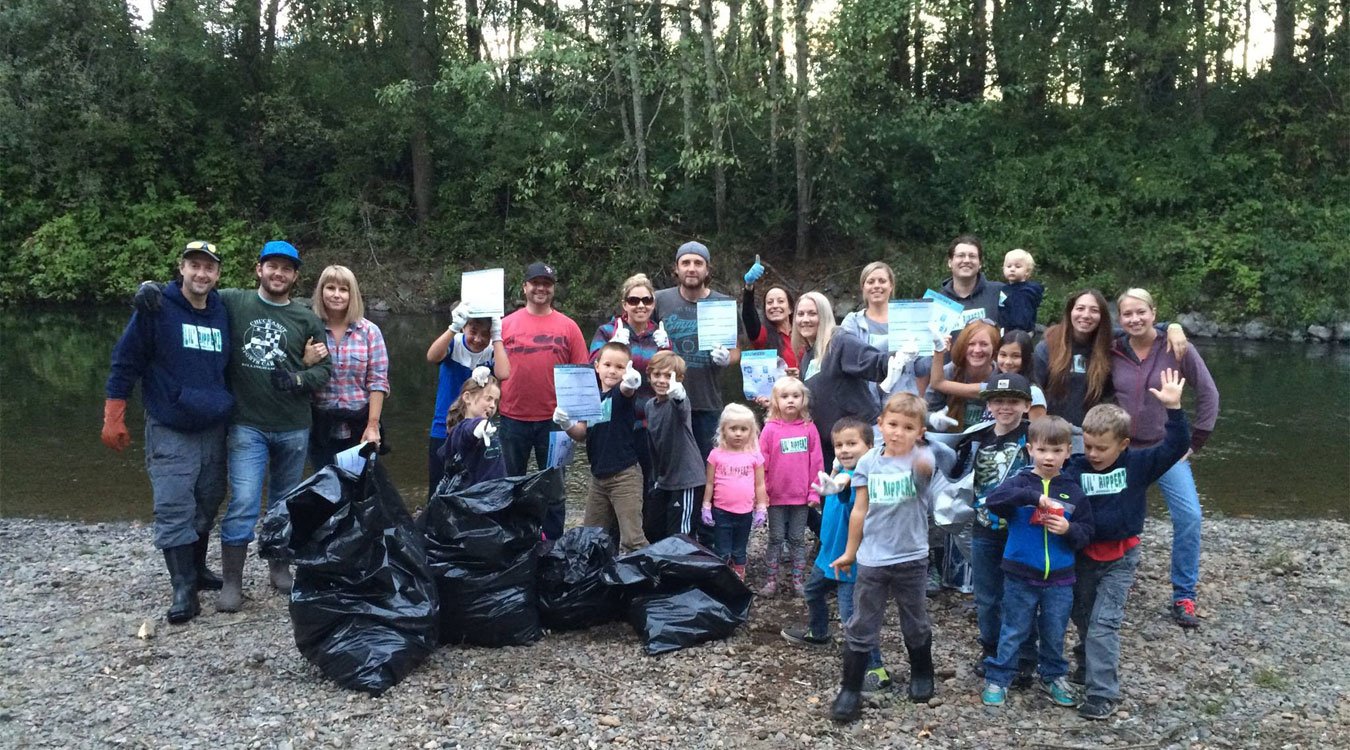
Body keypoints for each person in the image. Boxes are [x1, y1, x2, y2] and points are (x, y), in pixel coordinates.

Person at [132, 241, 332, 610]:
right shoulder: (233, 302)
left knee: (284, 502)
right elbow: (191, 293)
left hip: (293, 426)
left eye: (286, 269)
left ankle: (279, 567)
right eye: (272, 266)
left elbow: (324, 368)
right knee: (241, 501)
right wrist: (153, 287)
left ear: (295, 277)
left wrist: (300, 379)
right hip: (246, 425)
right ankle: (232, 582)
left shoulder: (307, 318)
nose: (278, 274)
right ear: (259, 269)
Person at [102, 241, 234, 624]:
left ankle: (198, 569)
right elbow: (125, 361)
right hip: (170, 426)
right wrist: (114, 412)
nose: (201, 274)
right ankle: (182, 587)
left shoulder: (221, 309)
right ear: (182, 268)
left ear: (217, 275)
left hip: (213, 424)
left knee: (208, 499)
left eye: (209, 268)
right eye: (194, 266)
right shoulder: (156, 307)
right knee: (174, 504)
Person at [1064, 371, 1190, 720]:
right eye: (1087, 446)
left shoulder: (1139, 464)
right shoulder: (1075, 469)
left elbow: (1175, 446)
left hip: (1121, 557)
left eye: (1101, 448)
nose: (1093, 454)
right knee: (1084, 616)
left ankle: (1102, 693)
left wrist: (1174, 410)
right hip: (1084, 556)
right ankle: (1087, 662)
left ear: (1123, 443)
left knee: (1105, 623)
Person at [1111, 289, 1219, 628]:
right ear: (1120, 317)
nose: (1134, 319)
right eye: (1127, 314)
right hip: (1124, 449)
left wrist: (1196, 441)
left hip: (1166, 448)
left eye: (1140, 312)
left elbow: (1208, 393)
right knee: (1117, 517)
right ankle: (1113, 581)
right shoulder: (1113, 348)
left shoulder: (1176, 347)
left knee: (1189, 517)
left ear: (1153, 312)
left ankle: (1184, 594)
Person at [828, 393, 940, 722]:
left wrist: (921, 465)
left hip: (911, 557)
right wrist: (850, 552)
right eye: (892, 424)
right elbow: (859, 510)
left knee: (915, 618)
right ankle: (850, 688)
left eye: (908, 427)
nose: (898, 432)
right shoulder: (867, 463)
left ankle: (922, 671)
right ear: (880, 425)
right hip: (874, 558)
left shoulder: (922, 459)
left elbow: (924, 475)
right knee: (862, 621)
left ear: (919, 432)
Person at [980, 416, 1094, 709]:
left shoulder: (1073, 490)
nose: (1049, 457)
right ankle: (999, 676)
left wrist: (1069, 530)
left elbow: (1087, 532)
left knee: (1054, 630)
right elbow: (992, 500)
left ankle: (1053, 675)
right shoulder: (1019, 483)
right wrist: (1033, 497)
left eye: (1056, 451)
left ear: (1068, 452)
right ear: (1030, 449)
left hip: (1060, 578)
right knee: (1014, 627)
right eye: (1042, 450)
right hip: (1019, 574)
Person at [780, 417, 890, 692]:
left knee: (853, 618)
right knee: (812, 592)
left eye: (852, 443)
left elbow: (846, 484)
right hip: (826, 557)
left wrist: (840, 482)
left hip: (850, 564)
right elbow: (839, 477)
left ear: (870, 446)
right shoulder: (837, 471)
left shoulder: (862, 480)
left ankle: (875, 668)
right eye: (839, 444)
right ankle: (818, 632)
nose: (844, 449)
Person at [950, 372, 1035, 683]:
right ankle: (991, 650)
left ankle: (1025, 654)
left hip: (1025, 532)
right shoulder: (976, 437)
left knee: (1023, 594)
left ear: (1027, 405)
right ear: (989, 405)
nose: (1005, 407)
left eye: (1013, 402)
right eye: (998, 401)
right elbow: (952, 470)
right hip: (984, 529)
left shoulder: (1036, 438)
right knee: (987, 595)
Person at [498, 261, 590, 539]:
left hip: (556, 422)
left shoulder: (569, 327)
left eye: (546, 284)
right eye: (535, 283)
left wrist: (580, 421)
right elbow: (490, 370)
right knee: (509, 484)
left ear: (553, 289)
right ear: (525, 287)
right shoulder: (504, 325)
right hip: (512, 418)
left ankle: (554, 543)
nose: (541, 288)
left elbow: (582, 377)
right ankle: (512, 539)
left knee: (555, 489)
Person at [589, 273, 670, 539]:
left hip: (649, 423)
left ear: (653, 303)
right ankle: (608, 542)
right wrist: (617, 346)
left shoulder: (660, 334)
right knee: (610, 482)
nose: (640, 305)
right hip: (614, 423)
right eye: (633, 300)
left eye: (646, 300)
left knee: (645, 486)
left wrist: (667, 349)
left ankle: (638, 540)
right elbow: (595, 366)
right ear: (624, 304)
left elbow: (673, 375)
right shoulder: (607, 331)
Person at [799, 291, 914, 469]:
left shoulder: (840, 341)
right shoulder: (808, 356)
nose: (805, 319)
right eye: (800, 314)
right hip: (833, 445)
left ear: (824, 315)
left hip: (859, 439)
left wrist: (899, 356)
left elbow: (873, 362)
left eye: (812, 313)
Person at [553, 342, 649, 553]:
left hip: (625, 477)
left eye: (620, 367)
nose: (613, 371)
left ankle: (647, 582)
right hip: (598, 479)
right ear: (596, 366)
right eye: (608, 364)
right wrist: (566, 424)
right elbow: (581, 433)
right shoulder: (590, 397)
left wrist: (631, 382)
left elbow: (627, 389)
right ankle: (596, 579)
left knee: (632, 540)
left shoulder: (620, 395)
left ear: (627, 369)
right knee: (590, 538)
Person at [653, 241, 737, 458]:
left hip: (707, 403)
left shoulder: (723, 303)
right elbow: (641, 337)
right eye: (686, 262)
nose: (692, 268)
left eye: (698, 263)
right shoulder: (659, 300)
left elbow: (737, 351)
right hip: (666, 399)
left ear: (707, 269)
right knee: (665, 465)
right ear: (676, 268)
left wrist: (727, 358)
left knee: (707, 467)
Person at [307, 265, 389, 469]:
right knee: (326, 492)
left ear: (352, 295)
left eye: (343, 290)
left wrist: (373, 425)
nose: (337, 295)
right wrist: (305, 361)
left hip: (360, 426)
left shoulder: (369, 331)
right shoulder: (308, 327)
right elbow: (296, 375)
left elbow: (378, 381)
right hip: (319, 427)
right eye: (331, 288)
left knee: (361, 491)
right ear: (321, 291)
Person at [426, 302, 510, 497]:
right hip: (444, 426)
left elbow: (504, 373)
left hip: (477, 430)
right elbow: (432, 356)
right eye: (473, 331)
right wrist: (453, 328)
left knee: (472, 485)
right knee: (438, 486)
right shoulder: (454, 343)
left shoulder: (490, 350)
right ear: (464, 327)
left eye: (485, 333)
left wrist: (497, 337)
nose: (478, 339)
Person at [757, 376, 823, 597]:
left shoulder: (809, 428)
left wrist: (814, 491)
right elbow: (761, 463)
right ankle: (771, 581)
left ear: (803, 399)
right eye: (785, 397)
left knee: (797, 539)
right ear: (775, 400)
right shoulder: (769, 429)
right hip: (775, 497)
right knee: (775, 537)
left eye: (796, 396)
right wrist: (762, 492)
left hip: (801, 497)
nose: (791, 401)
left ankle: (798, 580)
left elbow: (817, 462)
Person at [839, 261, 928, 402]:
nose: (876, 286)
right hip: (866, 402)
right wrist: (893, 343)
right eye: (871, 281)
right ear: (863, 287)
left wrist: (937, 350)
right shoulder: (852, 322)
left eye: (882, 281)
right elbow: (850, 359)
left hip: (902, 401)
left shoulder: (909, 320)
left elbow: (921, 369)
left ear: (891, 286)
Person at [644, 351, 707, 541]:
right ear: (649, 377)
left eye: (668, 376)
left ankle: (684, 567)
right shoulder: (649, 406)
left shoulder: (678, 403)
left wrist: (679, 395)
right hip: (664, 479)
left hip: (687, 479)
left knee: (680, 534)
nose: (662, 381)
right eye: (657, 375)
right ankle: (665, 565)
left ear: (679, 379)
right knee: (652, 528)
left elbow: (682, 405)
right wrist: (655, 478)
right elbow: (654, 444)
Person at [701, 404, 769, 580]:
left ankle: (739, 578)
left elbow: (760, 484)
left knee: (740, 548)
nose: (738, 433)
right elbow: (709, 483)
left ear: (751, 431)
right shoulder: (716, 455)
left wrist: (761, 507)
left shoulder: (754, 456)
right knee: (722, 549)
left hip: (745, 512)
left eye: (743, 429)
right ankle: (722, 578)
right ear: (724, 430)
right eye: (733, 429)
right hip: (721, 511)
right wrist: (706, 506)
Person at [927, 320, 1000, 431]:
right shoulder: (949, 372)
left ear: (995, 348)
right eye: (971, 344)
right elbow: (921, 413)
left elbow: (938, 383)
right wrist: (932, 418)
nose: (977, 350)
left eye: (984, 344)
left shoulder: (1001, 376)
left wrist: (939, 351)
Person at [442, 368, 506, 485]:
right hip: (475, 498)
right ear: (467, 398)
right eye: (488, 399)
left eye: (496, 401)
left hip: (496, 494)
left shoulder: (489, 427)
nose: (492, 405)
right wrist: (479, 426)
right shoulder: (461, 429)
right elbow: (468, 429)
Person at [740, 256, 798, 370]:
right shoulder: (763, 335)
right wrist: (749, 287)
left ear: (790, 308)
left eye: (780, 301)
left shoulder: (801, 334)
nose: (775, 306)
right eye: (770, 302)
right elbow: (749, 316)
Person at [938, 235, 1005, 323]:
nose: (966, 260)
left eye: (972, 256)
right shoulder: (937, 302)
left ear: (980, 263)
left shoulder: (999, 292)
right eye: (961, 255)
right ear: (950, 262)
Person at [998, 248, 1043, 335]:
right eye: (1009, 266)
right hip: (1005, 331)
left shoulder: (1025, 293)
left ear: (1027, 271)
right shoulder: (1007, 288)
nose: (1012, 269)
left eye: (1017, 266)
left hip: (1018, 334)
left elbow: (1021, 319)